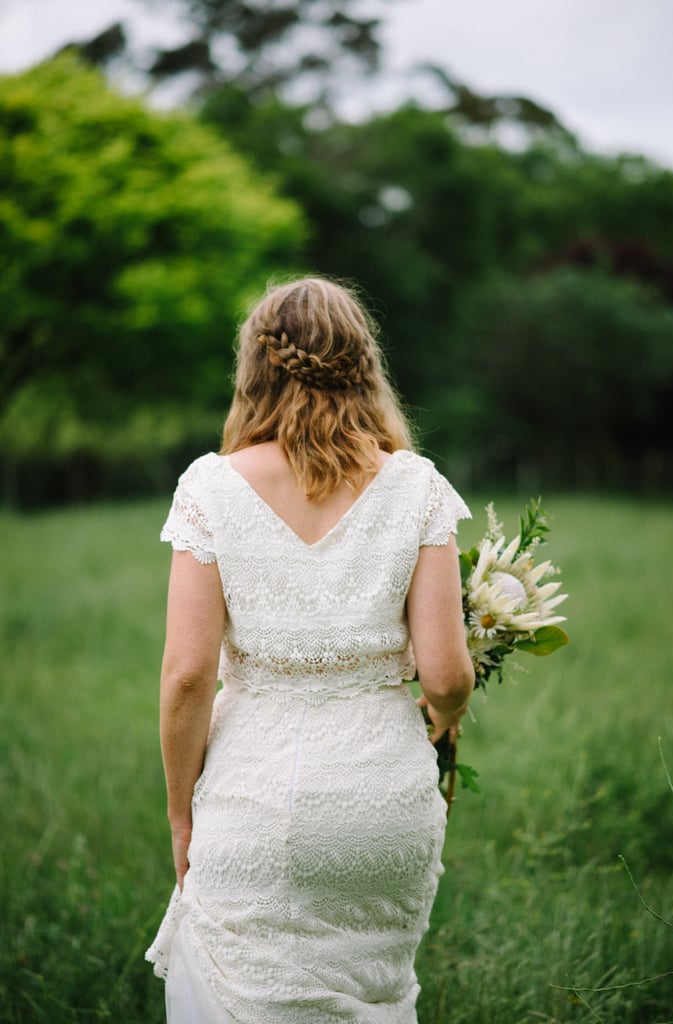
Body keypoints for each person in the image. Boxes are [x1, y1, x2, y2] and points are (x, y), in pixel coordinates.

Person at [145, 276, 475, 1023]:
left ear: (256, 368)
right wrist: (447, 715)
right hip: (384, 807)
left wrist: (179, 814)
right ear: (363, 363)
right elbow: (448, 672)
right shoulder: (416, 487)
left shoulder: (210, 488)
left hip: (255, 800)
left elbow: (188, 674)